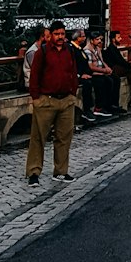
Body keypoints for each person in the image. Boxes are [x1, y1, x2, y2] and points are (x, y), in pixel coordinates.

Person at [26, 21, 78, 186]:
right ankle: (34, 172)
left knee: (64, 138)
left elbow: (73, 71)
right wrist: (35, 98)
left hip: (66, 100)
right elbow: (35, 74)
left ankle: (61, 171)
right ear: (51, 35)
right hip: (46, 100)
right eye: (57, 34)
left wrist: (72, 93)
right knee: (38, 138)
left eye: (62, 34)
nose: (60, 37)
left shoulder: (69, 50)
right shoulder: (42, 51)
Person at [104, 31, 131, 111]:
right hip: (114, 69)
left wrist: (129, 64)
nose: (121, 39)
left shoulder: (115, 48)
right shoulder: (111, 49)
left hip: (120, 69)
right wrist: (130, 65)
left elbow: (122, 61)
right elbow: (119, 61)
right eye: (118, 37)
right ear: (113, 39)